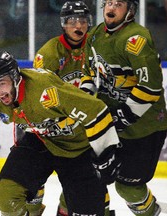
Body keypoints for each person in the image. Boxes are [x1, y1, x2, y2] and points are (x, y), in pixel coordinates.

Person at [0, 50, 121, 215]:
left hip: (77, 147)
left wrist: (107, 152)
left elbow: (96, 110)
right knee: (8, 196)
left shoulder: (45, 90)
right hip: (40, 141)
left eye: (2, 84)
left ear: (15, 78)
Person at [82, 0, 167, 215]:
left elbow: (150, 87)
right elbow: (89, 73)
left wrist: (122, 116)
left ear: (130, 11)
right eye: (108, 3)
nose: (111, 9)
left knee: (128, 188)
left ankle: (150, 210)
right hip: (109, 124)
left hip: (144, 128)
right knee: (90, 178)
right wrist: (85, 98)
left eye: (118, 4)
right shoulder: (94, 35)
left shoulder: (136, 39)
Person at [33, 2, 114, 215]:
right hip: (57, 129)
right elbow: (38, 95)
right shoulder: (49, 53)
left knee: (92, 183)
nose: (78, 25)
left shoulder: (98, 46)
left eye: (83, 20)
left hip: (89, 126)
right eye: (72, 21)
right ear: (63, 24)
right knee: (33, 186)